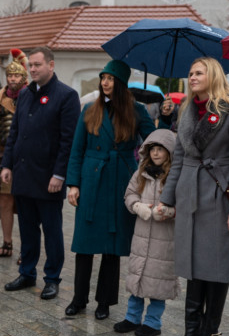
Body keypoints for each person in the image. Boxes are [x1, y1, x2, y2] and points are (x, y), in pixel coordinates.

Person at [157, 56, 229, 336]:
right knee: (193, 265)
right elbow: (179, 159)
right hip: (189, 194)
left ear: (213, 75)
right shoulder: (186, 110)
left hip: (218, 196)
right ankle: (191, 332)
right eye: (190, 72)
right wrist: (167, 198)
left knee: (216, 267)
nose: (192, 77)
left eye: (198, 72)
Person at [64, 60, 161, 319]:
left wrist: (164, 119)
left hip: (119, 180)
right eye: (103, 78)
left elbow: (155, 142)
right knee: (84, 245)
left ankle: (104, 302)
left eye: (110, 79)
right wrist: (73, 184)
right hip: (91, 180)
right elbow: (77, 150)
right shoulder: (89, 109)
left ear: (120, 83)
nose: (105, 83)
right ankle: (78, 299)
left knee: (111, 246)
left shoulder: (136, 110)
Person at [1, 46, 80, 300]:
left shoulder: (66, 96)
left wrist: (60, 175)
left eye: (37, 65)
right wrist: (7, 164)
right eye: (30, 65)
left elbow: (68, 141)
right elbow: (15, 133)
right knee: (27, 229)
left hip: (49, 179)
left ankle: (52, 278)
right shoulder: (25, 94)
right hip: (23, 174)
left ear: (51, 65)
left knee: (52, 231)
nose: (32, 69)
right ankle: (27, 272)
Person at [116, 129, 178, 336]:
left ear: (170, 151)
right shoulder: (141, 173)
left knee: (158, 281)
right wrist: (137, 206)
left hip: (164, 240)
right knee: (138, 277)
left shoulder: (175, 176)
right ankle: (132, 317)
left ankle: (153, 322)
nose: (156, 153)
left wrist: (170, 211)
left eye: (161, 149)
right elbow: (130, 193)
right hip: (142, 237)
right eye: (152, 149)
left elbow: (185, 202)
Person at [0, 49, 27, 260]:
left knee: (27, 204)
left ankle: (27, 249)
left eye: (17, 75)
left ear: (24, 77)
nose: (12, 79)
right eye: (10, 75)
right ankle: (7, 244)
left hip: (27, 160)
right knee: (5, 201)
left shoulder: (30, 98)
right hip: (4, 158)